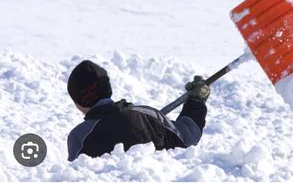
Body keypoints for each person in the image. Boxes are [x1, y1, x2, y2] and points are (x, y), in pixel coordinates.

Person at [67, 60, 210, 161]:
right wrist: (196, 101)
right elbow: (188, 137)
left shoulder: (79, 136)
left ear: (77, 101)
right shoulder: (148, 115)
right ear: (108, 89)